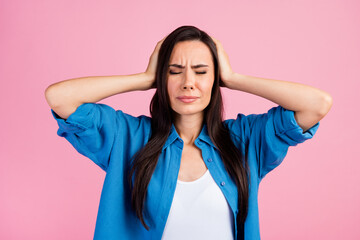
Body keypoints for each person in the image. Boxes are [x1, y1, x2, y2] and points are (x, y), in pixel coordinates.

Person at [45, 25, 332, 240]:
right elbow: (60, 97)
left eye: (201, 71)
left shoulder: (245, 140)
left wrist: (233, 78)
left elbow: (317, 105)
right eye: (174, 71)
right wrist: (144, 78)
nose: (188, 83)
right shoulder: (127, 137)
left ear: (215, 78)